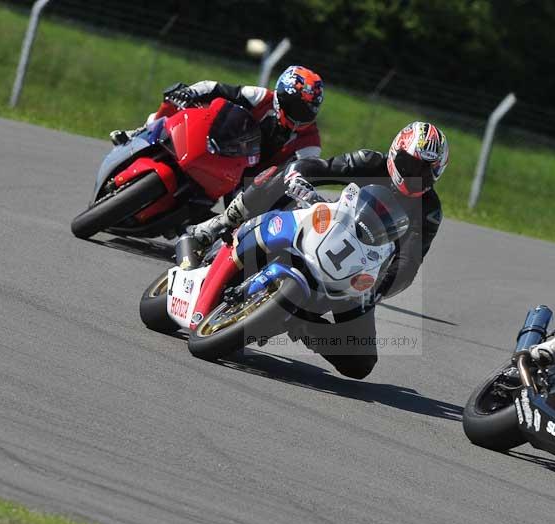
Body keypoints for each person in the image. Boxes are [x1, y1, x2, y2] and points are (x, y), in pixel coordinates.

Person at [187, 121, 449, 379]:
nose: (415, 176)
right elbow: (320, 167)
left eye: (425, 172)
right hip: (325, 228)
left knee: (361, 363)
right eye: (410, 165)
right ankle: (221, 223)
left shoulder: (429, 212)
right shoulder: (370, 162)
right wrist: (298, 177)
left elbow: (408, 263)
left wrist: (378, 290)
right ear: (394, 154)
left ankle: (302, 324)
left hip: (358, 270)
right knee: (276, 175)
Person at [111, 65, 324, 177]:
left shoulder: (310, 143)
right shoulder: (260, 97)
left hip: (253, 179)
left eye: (307, 110)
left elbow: (304, 171)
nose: (300, 115)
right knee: (174, 97)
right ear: (280, 96)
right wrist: (189, 93)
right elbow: (213, 88)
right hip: (224, 148)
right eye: (297, 107)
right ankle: (140, 132)